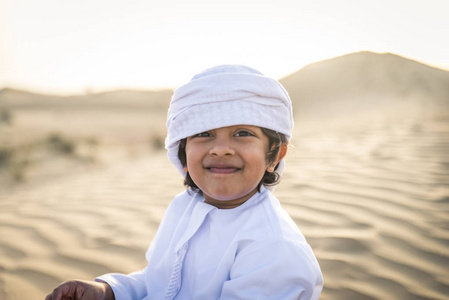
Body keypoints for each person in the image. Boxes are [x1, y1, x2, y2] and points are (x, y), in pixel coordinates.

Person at [46, 65, 323, 300]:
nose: (221, 149)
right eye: (203, 133)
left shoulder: (274, 250)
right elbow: (161, 282)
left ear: (274, 154)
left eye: (242, 132)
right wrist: (108, 291)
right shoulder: (184, 207)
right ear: (183, 150)